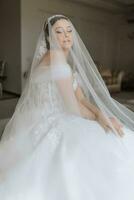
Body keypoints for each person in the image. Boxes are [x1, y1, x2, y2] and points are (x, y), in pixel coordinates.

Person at [0, 14, 134, 200]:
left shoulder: (60, 59)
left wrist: (100, 113)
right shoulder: (56, 59)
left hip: (47, 114)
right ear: (49, 37)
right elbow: (74, 108)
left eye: (69, 31)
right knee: (112, 139)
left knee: (110, 129)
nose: (66, 36)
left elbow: (80, 97)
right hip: (54, 118)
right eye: (59, 32)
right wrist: (99, 119)